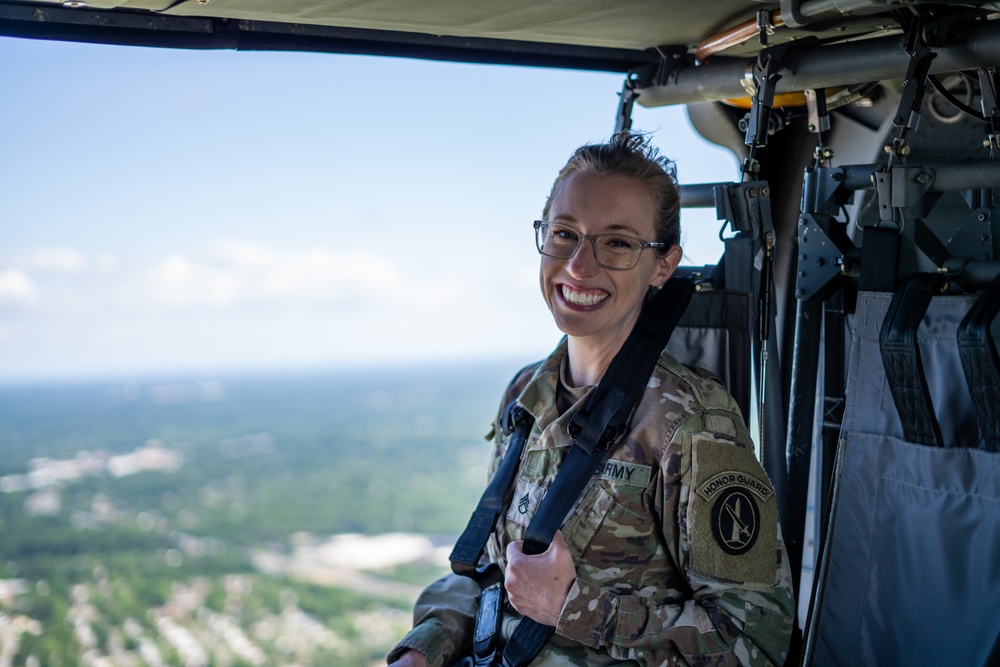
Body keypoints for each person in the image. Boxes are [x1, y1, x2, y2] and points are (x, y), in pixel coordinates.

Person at [387, 133, 795, 667]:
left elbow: (757, 644)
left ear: (664, 266)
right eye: (565, 234)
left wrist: (573, 607)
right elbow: (489, 574)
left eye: (618, 243)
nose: (580, 266)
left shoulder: (690, 421)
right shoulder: (525, 395)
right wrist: (424, 649)